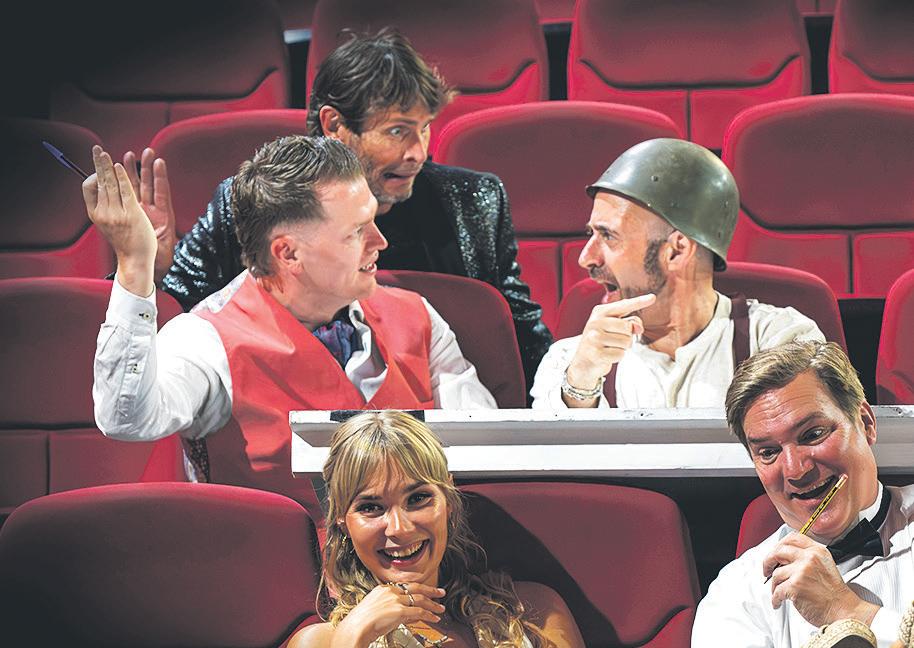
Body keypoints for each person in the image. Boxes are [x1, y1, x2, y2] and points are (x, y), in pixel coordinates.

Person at [86, 135, 496, 525]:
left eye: (372, 220)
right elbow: (125, 419)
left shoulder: (418, 316)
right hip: (271, 570)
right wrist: (135, 265)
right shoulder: (206, 339)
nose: (380, 241)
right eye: (356, 231)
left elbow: (489, 454)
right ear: (288, 253)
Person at [126, 30, 551, 392]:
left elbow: (521, 343)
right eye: (397, 131)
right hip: (283, 426)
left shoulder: (472, 203)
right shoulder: (249, 204)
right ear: (334, 125)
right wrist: (148, 270)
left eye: (424, 128)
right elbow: (167, 348)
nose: (418, 153)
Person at [530, 138, 824, 409]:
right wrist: (581, 385)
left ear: (677, 251)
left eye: (608, 236)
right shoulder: (568, 364)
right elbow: (552, 449)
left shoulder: (780, 341)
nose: (586, 258)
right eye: (591, 234)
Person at [287, 410, 585, 648]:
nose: (399, 529)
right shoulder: (319, 642)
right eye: (371, 507)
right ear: (342, 519)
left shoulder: (533, 611)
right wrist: (351, 639)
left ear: (448, 500)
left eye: (417, 499)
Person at [692, 341, 914, 647]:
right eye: (768, 452)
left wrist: (845, 609)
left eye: (813, 434)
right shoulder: (736, 594)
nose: (796, 470)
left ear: (865, 424)